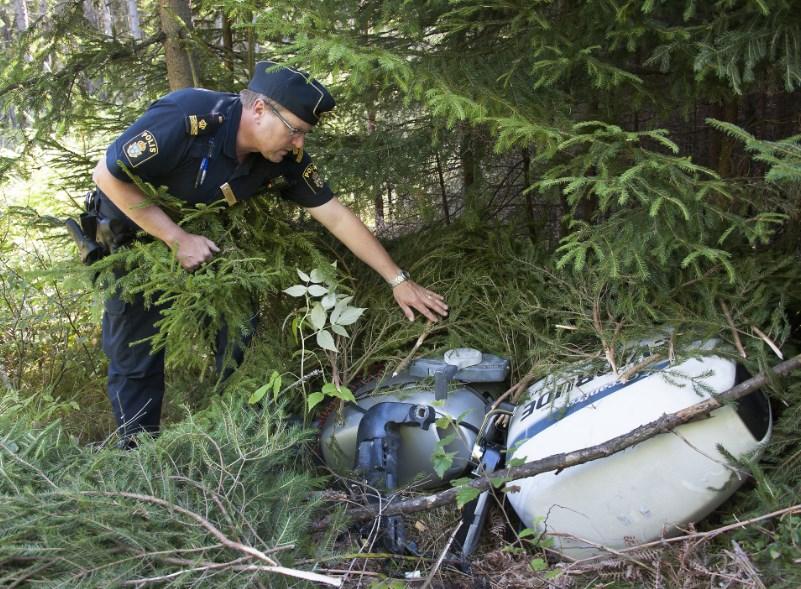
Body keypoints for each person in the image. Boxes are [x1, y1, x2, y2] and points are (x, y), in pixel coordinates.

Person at [91, 60, 448, 441]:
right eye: (295, 131)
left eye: (304, 134)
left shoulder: (284, 158)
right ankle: (138, 456)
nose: (299, 144)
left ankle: (237, 437)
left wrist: (397, 280)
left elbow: (336, 217)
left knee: (240, 331)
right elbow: (106, 175)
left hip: (204, 238)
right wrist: (176, 239)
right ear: (259, 110)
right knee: (136, 353)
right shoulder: (188, 116)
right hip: (131, 239)